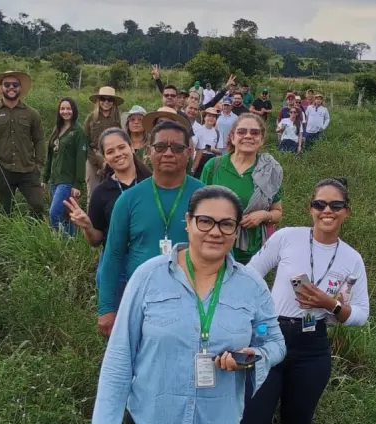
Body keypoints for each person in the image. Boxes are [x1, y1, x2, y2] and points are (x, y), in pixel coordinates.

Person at [88, 185, 286, 424]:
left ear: (236, 229)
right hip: (153, 422)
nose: (215, 232)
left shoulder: (251, 285)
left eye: (226, 224)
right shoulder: (149, 276)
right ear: (188, 222)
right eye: (205, 221)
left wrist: (255, 355)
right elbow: (121, 353)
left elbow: (275, 342)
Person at [215, 177, 370, 424]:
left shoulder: (352, 259)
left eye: (336, 205)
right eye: (320, 204)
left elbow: (361, 313)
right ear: (309, 208)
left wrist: (332, 305)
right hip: (271, 339)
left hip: (313, 348)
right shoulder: (287, 238)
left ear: (347, 212)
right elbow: (251, 273)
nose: (327, 211)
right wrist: (254, 316)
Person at [96, 120, 204, 337]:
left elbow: (223, 253)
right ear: (149, 151)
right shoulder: (129, 199)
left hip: (194, 298)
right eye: (160, 147)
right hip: (142, 299)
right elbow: (113, 254)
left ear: (189, 152)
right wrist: (106, 308)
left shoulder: (205, 197)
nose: (168, 153)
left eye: (177, 148)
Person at [67, 128, 151, 308]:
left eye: (121, 147)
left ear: (131, 147)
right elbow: (96, 240)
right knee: (115, 321)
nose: (118, 154)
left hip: (149, 261)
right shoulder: (101, 192)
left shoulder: (152, 183)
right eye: (110, 151)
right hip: (115, 266)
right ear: (105, 158)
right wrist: (87, 226)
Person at [200, 113, 283, 264]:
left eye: (255, 132)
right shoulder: (214, 166)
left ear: (262, 139)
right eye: (242, 131)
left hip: (252, 253)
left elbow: (277, 213)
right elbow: (199, 208)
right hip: (215, 246)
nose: (248, 136)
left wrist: (264, 215)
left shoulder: (270, 171)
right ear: (232, 137)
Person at [0, 70, 45, 218]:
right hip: (3, 169)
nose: (11, 87)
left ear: (20, 87)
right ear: (1, 88)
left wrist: (38, 165)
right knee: (5, 211)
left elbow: (39, 140)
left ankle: (30, 231)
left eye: (15, 84)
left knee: (37, 206)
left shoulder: (32, 114)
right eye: (7, 84)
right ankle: (9, 233)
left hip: (28, 169)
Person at [41, 96, 87, 236]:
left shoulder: (78, 132)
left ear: (74, 110)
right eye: (62, 108)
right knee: (66, 215)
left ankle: (62, 240)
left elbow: (81, 159)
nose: (65, 111)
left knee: (54, 213)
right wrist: (45, 177)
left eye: (68, 108)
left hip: (67, 181)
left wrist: (78, 184)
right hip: (55, 180)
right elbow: (50, 156)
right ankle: (70, 244)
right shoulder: (57, 129)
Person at [84, 86, 123, 201]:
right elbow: (85, 141)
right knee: (92, 193)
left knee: (113, 192)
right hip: (93, 155)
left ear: (113, 102)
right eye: (103, 99)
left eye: (109, 99)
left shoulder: (118, 119)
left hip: (113, 157)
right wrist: (96, 161)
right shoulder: (91, 118)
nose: (106, 102)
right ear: (98, 101)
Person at [191, 106, 223, 178]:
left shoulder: (217, 133)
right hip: (198, 158)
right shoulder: (197, 130)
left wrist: (212, 149)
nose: (211, 118)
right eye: (209, 116)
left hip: (211, 159)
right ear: (204, 117)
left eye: (213, 117)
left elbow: (220, 151)